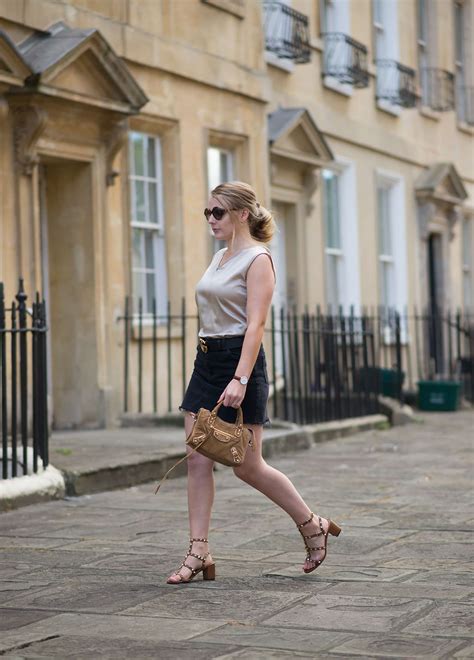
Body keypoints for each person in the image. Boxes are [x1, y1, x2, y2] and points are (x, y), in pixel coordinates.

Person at [168, 181, 341, 584]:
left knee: (246, 466)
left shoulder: (258, 259)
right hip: (206, 359)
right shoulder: (218, 257)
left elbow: (257, 324)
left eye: (218, 212)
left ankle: (311, 524)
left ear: (242, 214)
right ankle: (198, 551)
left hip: (238, 362)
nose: (211, 220)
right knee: (196, 457)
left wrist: (241, 378)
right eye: (207, 213)